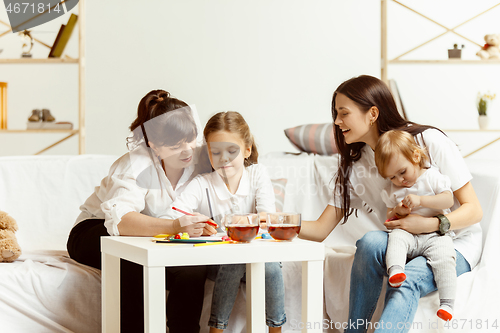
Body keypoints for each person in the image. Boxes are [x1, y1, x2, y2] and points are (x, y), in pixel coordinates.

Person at [299, 75, 482, 333]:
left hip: (453, 240)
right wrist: (275, 221)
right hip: (407, 241)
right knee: (370, 242)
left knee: (406, 281)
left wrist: (428, 223)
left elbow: (474, 210)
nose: (337, 122)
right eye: (336, 114)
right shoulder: (355, 166)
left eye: (344, 113)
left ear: (372, 113)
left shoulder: (426, 141)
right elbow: (320, 230)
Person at [66, 89, 217, 333]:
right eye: (176, 146)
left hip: (152, 238)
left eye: (190, 140)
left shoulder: (198, 160)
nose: (188, 150)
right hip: (95, 229)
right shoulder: (135, 164)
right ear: (153, 145)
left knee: (193, 266)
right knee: (132, 257)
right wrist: (176, 226)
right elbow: (123, 222)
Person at [165, 111, 286, 332]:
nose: (224, 158)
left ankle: (276, 329)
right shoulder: (203, 183)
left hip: (260, 259)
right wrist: (193, 223)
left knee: (270, 264)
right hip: (220, 262)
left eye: (232, 150)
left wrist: (240, 223)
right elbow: (170, 217)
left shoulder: (257, 174)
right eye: (216, 152)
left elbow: (268, 218)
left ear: (247, 149)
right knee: (235, 257)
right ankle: (216, 329)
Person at [375, 129, 457, 321]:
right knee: (395, 238)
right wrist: (398, 212)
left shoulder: (432, 177)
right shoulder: (393, 190)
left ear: (416, 156)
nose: (399, 180)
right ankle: (396, 270)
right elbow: (388, 217)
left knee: (445, 258)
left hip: (435, 235)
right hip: (408, 234)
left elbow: (448, 200)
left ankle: (447, 303)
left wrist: (421, 201)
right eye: (392, 177)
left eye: (402, 172)